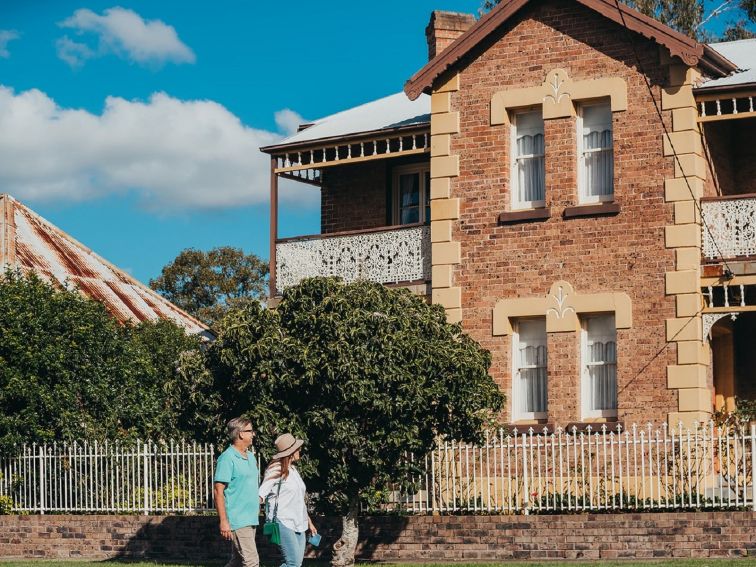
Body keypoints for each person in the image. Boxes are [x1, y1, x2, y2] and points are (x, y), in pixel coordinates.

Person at [259, 433, 318, 567]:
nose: (300, 450)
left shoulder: (293, 470)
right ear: (290, 452)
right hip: (283, 521)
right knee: (293, 563)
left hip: (299, 522)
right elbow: (261, 493)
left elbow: (299, 500)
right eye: (297, 448)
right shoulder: (276, 469)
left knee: (296, 563)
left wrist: (310, 522)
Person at [214, 417, 260, 567]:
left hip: (252, 517)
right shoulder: (227, 458)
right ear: (240, 434)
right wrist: (223, 521)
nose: (253, 434)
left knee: (238, 561)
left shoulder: (251, 457)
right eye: (250, 431)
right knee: (252, 561)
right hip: (238, 518)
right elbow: (218, 491)